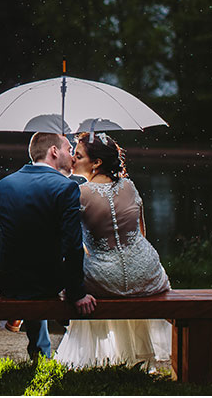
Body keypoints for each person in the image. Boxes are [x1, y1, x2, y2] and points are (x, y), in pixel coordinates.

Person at [54, 131, 171, 370]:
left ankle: (94, 358)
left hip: (103, 278)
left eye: (78, 155)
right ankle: (135, 357)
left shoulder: (78, 193)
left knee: (70, 280)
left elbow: (70, 241)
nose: (73, 160)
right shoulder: (129, 185)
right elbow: (142, 232)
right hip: (145, 274)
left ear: (96, 163)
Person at [0, 132, 96, 359]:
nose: (72, 157)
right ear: (53, 151)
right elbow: (72, 246)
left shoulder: (3, 185)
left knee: (33, 261)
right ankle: (49, 344)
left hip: (7, 278)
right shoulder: (66, 188)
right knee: (66, 269)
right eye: (68, 150)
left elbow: (15, 237)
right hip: (47, 282)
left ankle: (39, 350)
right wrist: (77, 293)